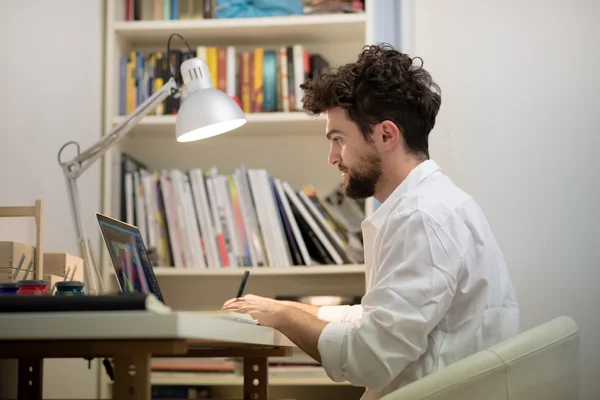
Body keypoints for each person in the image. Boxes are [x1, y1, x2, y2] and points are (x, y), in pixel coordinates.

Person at [221, 43, 520, 399]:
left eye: (338, 140)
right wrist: (285, 308)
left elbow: (369, 359)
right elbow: (380, 317)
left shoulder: (422, 217)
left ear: (386, 135)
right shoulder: (427, 204)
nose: (332, 158)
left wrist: (284, 319)